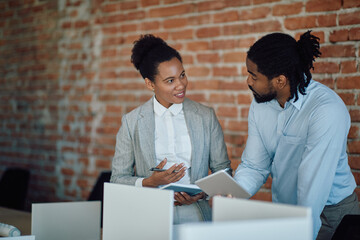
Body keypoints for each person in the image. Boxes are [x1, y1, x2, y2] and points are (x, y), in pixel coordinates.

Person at [233, 30, 359, 240]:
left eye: (254, 76)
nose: (249, 81)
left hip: (330, 216)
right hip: (288, 212)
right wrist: (233, 194)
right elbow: (255, 165)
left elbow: (312, 189)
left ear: (280, 81)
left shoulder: (326, 111)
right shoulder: (260, 104)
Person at [110, 34, 231, 224]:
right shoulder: (132, 121)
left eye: (182, 75)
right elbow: (117, 179)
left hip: (197, 214)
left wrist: (201, 195)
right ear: (150, 84)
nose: (181, 85)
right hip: (150, 216)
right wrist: (150, 182)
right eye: (170, 81)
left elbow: (222, 171)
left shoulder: (205, 116)